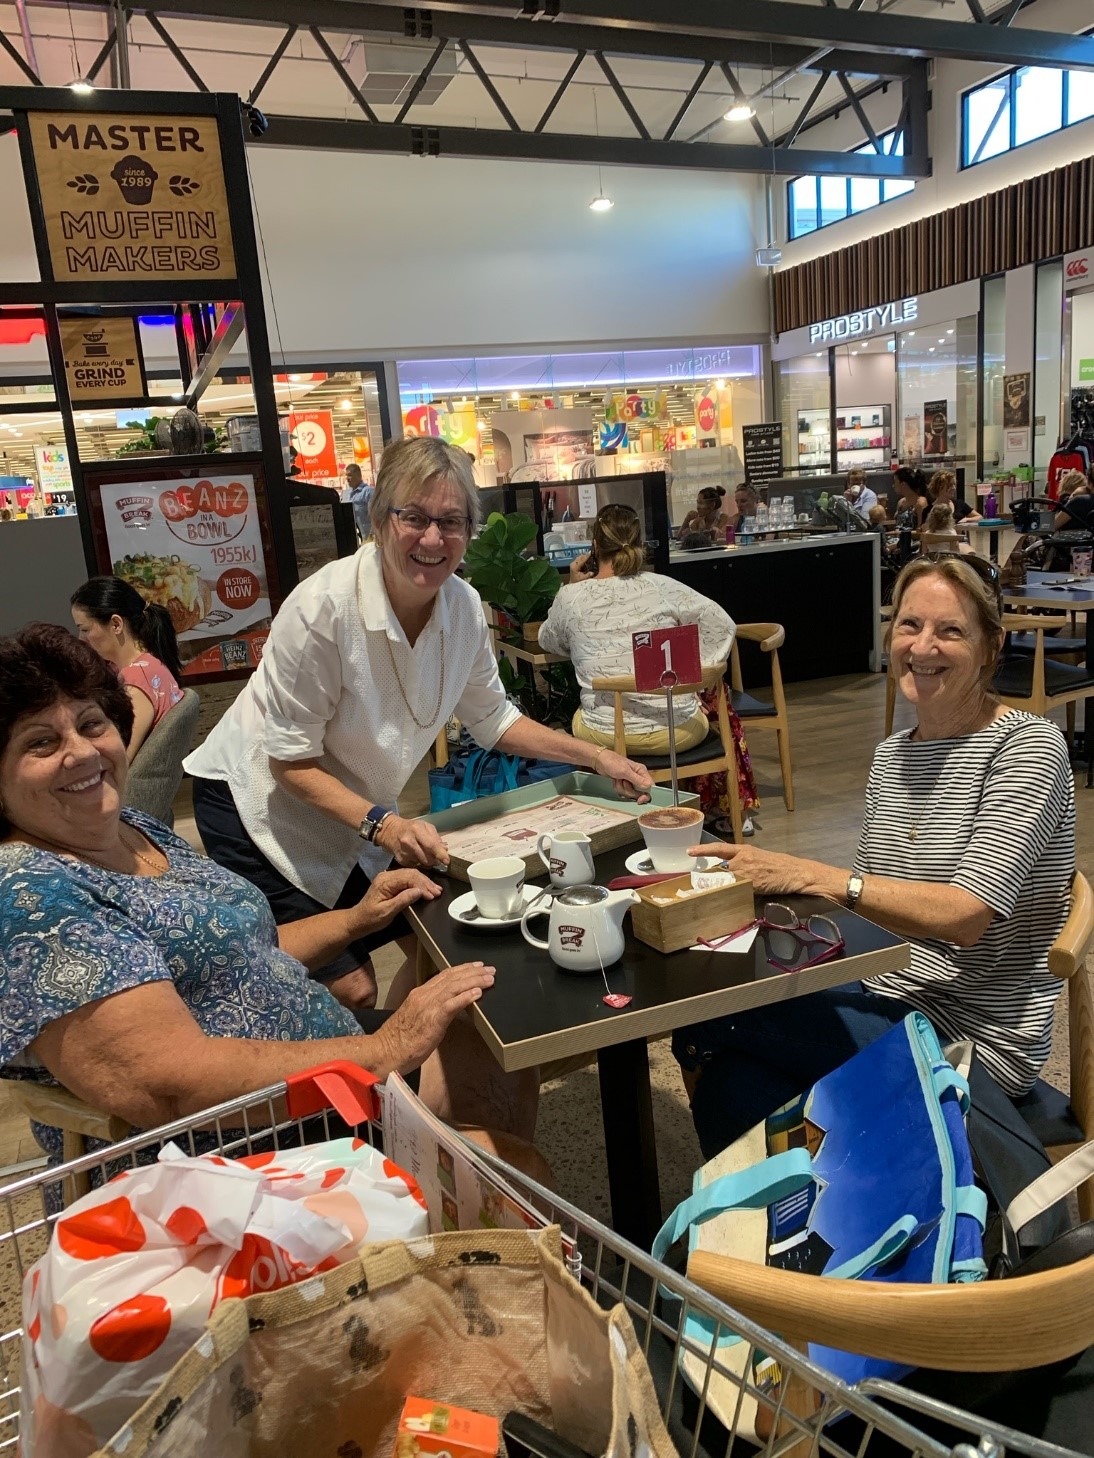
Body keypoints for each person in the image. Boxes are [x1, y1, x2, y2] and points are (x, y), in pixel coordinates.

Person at [0, 624, 538, 1168]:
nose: (81, 753)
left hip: (322, 1079)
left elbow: (240, 950)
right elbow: (165, 1085)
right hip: (240, 1146)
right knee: (517, 1171)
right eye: (40, 742)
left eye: (92, 724)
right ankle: (460, 1200)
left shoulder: (134, 829)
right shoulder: (36, 896)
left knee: (485, 1023)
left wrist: (357, 919)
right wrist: (382, 1050)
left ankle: (456, 1193)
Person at [185, 437, 651, 1012]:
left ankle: (407, 1071)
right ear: (380, 520)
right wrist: (383, 827)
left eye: (451, 521)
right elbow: (289, 763)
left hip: (354, 807)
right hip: (258, 804)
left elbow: (493, 719)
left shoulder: (462, 609)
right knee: (349, 984)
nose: (433, 539)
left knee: (440, 939)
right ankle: (347, 1086)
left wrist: (596, 757)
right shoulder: (322, 610)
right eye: (415, 517)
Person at [672, 554, 1075, 1159]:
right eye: (909, 626)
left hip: (975, 1042)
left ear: (992, 647)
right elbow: (870, 913)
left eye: (951, 631)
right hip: (885, 999)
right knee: (732, 1081)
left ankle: (959, 1164)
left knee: (711, 1015)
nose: (923, 647)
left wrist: (817, 875)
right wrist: (772, 889)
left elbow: (965, 915)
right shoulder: (894, 754)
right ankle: (818, 1225)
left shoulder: (1026, 747)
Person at [538, 504, 735, 754]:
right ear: (639, 544)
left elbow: (548, 641)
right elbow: (722, 625)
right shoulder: (663, 587)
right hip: (676, 732)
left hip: (605, 734)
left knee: (579, 720)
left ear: (595, 547)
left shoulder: (571, 597)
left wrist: (571, 586)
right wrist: (693, 680)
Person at [71, 576, 185, 761]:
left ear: (116, 624)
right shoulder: (149, 666)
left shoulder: (137, 682)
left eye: (85, 629)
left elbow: (117, 759)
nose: (80, 639)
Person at [893, 466, 929, 532]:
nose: (893, 485)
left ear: (903, 484)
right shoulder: (901, 503)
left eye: (895, 482)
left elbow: (921, 530)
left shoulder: (920, 503)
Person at [343, 462, 373, 540]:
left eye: (349, 475)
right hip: (351, 539)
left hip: (367, 538)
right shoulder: (346, 494)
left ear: (358, 476)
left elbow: (376, 516)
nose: (347, 478)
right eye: (346, 475)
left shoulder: (368, 492)